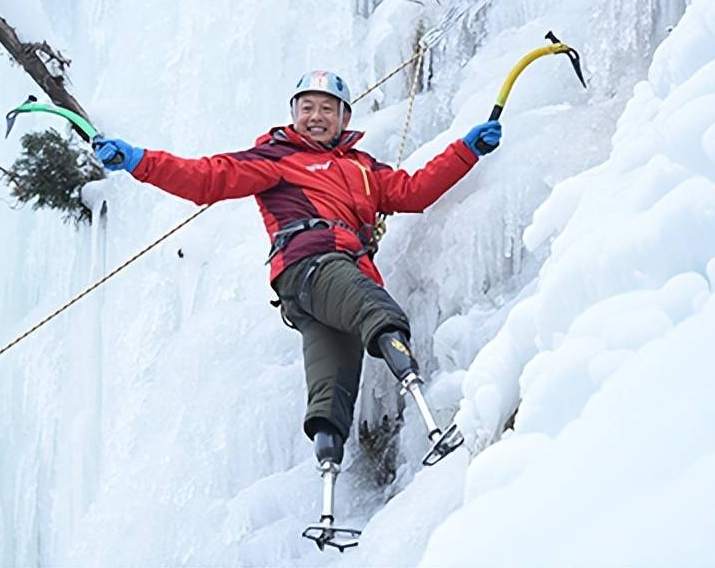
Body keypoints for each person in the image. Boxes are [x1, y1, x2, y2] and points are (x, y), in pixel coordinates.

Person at [93, 70, 500, 550]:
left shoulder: (365, 169)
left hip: (325, 285)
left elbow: (413, 192)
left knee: (332, 386)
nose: (316, 116)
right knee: (379, 313)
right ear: (293, 114)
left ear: (344, 117)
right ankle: (435, 425)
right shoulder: (275, 159)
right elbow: (207, 178)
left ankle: (327, 510)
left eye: (327, 108)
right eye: (307, 107)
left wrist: (466, 150)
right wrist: (140, 161)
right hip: (311, 265)